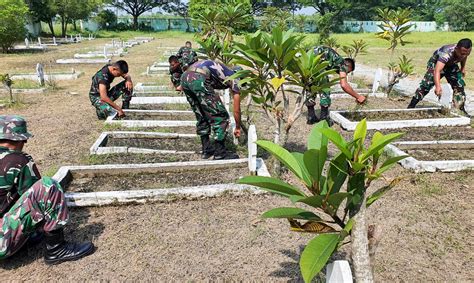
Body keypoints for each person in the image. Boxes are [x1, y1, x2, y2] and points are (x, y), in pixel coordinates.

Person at [0, 115, 94, 264]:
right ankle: (56, 248)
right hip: (2, 242)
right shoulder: (18, 160)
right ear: (20, 139)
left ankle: (26, 237)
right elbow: (36, 197)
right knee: (48, 187)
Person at [180, 60, 241, 160]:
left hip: (185, 77)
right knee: (221, 115)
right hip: (199, 77)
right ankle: (220, 153)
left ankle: (206, 149)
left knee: (201, 113)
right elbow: (236, 108)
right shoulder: (235, 77)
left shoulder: (225, 71)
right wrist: (237, 127)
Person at [408, 38, 471, 114]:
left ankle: (460, 109)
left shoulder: (463, 51)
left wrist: (463, 68)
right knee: (426, 84)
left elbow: (464, 57)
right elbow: (437, 71)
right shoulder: (446, 53)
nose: (464, 56)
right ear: (456, 49)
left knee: (459, 85)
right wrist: (438, 86)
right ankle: (411, 105)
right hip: (436, 65)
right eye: (462, 53)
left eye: (467, 53)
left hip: (451, 65)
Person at [306, 46, 366, 124]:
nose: (346, 73)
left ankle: (311, 117)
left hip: (308, 62)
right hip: (317, 63)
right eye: (348, 72)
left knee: (310, 87)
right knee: (325, 88)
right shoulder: (343, 64)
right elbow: (344, 85)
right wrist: (358, 96)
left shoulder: (335, 59)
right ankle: (324, 118)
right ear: (349, 66)